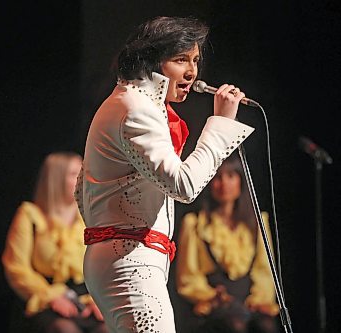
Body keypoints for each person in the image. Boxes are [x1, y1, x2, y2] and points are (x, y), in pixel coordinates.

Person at [75, 16, 255, 333]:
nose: (192, 72)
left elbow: (82, 189)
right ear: (152, 60)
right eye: (180, 59)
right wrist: (223, 124)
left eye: (196, 60)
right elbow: (183, 186)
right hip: (129, 259)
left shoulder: (130, 103)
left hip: (126, 256)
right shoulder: (135, 108)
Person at [2, 152, 108, 333]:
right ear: (57, 179)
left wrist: (98, 300)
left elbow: (103, 266)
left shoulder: (89, 217)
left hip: (84, 298)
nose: (83, 178)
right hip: (44, 299)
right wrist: (49, 297)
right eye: (75, 173)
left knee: (108, 329)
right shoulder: (31, 216)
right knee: (64, 329)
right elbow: (16, 267)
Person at [175, 153, 280, 333]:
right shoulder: (195, 224)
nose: (224, 184)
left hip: (250, 300)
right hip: (216, 303)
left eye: (230, 176)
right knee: (234, 325)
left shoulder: (257, 222)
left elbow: (264, 270)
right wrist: (210, 295)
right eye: (217, 178)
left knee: (266, 326)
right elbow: (188, 275)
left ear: (240, 180)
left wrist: (259, 299)